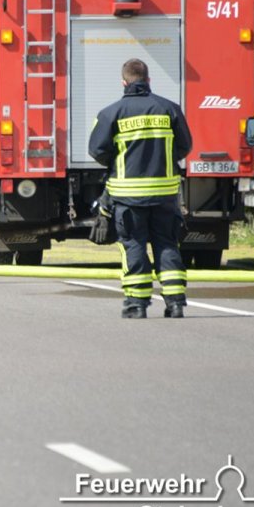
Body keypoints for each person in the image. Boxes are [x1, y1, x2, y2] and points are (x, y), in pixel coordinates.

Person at [88, 59, 193, 319]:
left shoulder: (111, 113)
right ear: (148, 80)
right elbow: (185, 146)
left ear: (124, 82)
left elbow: (97, 150)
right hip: (164, 194)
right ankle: (176, 302)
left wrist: (119, 160)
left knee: (133, 245)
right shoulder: (169, 109)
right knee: (167, 244)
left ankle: (136, 304)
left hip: (127, 196)